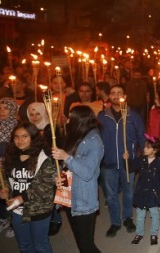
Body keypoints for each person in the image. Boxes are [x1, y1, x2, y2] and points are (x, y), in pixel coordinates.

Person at [51, 105, 104, 253]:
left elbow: (87, 173)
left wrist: (66, 157)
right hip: (69, 194)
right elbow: (66, 167)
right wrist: (58, 176)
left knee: (86, 245)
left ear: (80, 120)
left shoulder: (94, 141)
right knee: (80, 242)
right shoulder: (76, 135)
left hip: (83, 198)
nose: (67, 121)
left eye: (70, 117)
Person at [0, 122, 56, 253]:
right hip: (17, 210)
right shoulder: (11, 155)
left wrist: (21, 198)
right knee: (24, 245)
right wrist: (4, 189)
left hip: (39, 209)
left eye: (25, 136)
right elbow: (6, 178)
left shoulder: (44, 157)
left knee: (40, 245)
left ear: (33, 137)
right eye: (16, 137)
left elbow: (45, 185)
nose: (20, 140)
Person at [98, 84, 145, 237]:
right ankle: (115, 222)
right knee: (111, 195)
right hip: (108, 163)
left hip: (127, 163)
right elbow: (96, 137)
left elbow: (142, 138)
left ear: (125, 96)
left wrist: (137, 156)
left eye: (119, 93)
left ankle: (127, 218)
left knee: (128, 193)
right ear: (109, 96)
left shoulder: (133, 115)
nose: (116, 95)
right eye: (113, 93)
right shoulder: (102, 116)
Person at [26, 102, 63, 236]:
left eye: (38, 114)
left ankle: (55, 218)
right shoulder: (27, 128)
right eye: (31, 114)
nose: (35, 117)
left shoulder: (50, 128)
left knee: (50, 194)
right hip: (32, 165)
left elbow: (58, 145)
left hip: (49, 165)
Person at [127, 135, 160, 246]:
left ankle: (153, 234)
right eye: (145, 146)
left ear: (155, 150)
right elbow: (130, 168)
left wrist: (158, 190)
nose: (144, 149)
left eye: (148, 147)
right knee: (140, 216)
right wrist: (126, 160)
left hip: (152, 195)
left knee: (154, 215)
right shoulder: (141, 160)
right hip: (141, 194)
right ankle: (139, 233)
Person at [0, 97, 19, 238]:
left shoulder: (16, 125)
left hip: (9, 165)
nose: (2, 111)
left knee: (10, 191)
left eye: (6, 108)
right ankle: (3, 217)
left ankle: (13, 220)